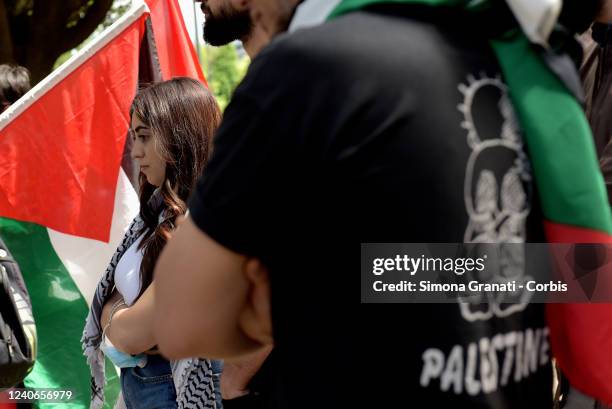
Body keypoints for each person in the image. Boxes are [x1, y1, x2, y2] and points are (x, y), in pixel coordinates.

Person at [154, 1, 612, 408]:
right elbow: (575, 272)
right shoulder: (522, 55)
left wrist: (318, 284)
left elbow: (182, 320)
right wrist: (383, 276)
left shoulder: (306, 66)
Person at [82, 77, 222, 409]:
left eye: (145, 136)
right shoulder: (154, 215)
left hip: (175, 393)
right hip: (143, 390)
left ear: (181, 135)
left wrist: (117, 323)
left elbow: (135, 334)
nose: (135, 151)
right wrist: (120, 319)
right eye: (134, 137)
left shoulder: (205, 224)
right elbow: (113, 308)